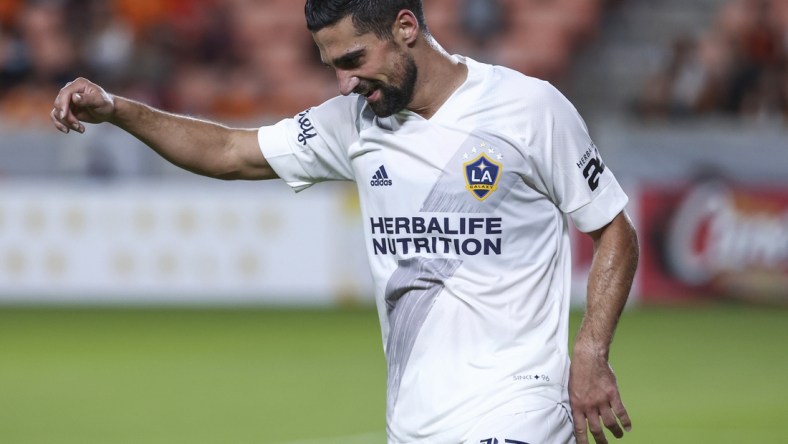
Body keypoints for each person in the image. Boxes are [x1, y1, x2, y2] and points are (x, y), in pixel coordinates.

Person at [50, 1, 639, 443]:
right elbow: (230, 152)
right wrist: (119, 110)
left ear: (406, 29)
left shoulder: (529, 109)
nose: (345, 82)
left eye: (355, 60)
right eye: (332, 66)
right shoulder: (353, 123)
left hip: (522, 407)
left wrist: (589, 352)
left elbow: (613, 229)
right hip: (415, 421)